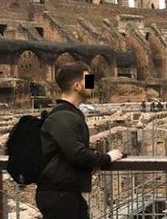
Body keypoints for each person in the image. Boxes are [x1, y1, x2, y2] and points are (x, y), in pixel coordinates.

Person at [37, 61, 124, 219]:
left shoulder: (69, 114)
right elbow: (76, 154)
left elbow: (68, 151)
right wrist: (107, 158)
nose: (92, 84)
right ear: (77, 86)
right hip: (59, 195)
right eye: (88, 80)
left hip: (67, 193)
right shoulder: (63, 116)